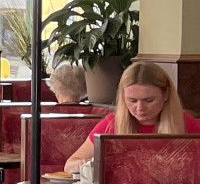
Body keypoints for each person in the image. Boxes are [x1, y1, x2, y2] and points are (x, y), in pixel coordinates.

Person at [64, 60, 200, 170]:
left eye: (149, 100)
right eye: (132, 101)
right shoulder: (112, 124)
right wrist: (81, 165)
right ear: (123, 97)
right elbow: (69, 165)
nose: (140, 108)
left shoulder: (184, 122)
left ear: (166, 95)